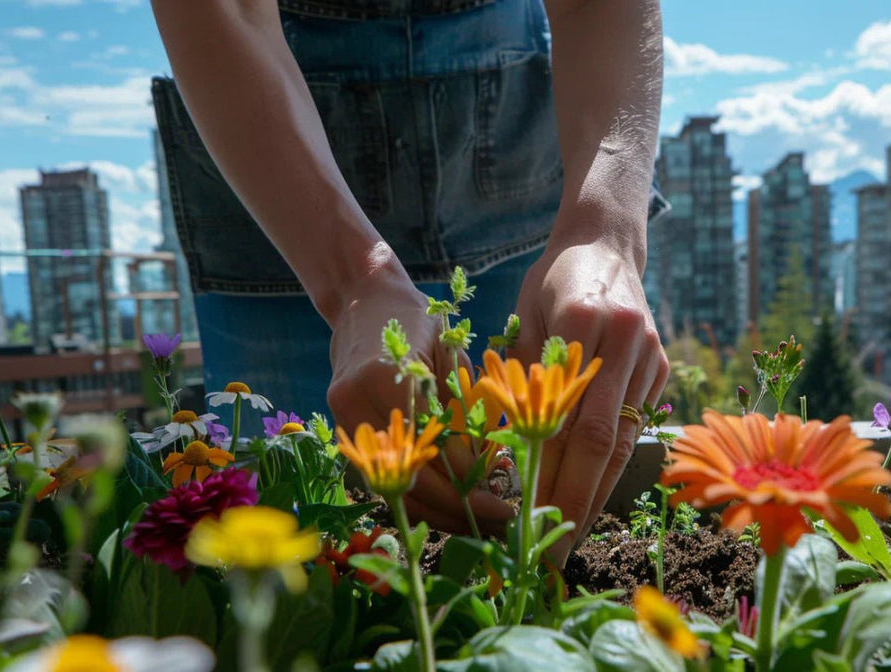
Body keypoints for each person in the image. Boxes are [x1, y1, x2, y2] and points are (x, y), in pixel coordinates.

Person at [150, 0, 669, 551]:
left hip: (510, 126)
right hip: (266, 149)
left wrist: (603, 229)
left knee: (532, 514)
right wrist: (353, 282)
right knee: (283, 547)